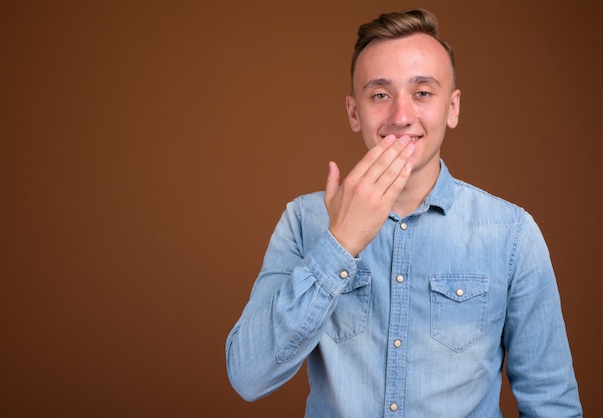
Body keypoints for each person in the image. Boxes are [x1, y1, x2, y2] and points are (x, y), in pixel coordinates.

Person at [225, 8, 582, 417]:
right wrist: (339, 245)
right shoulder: (304, 222)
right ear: (354, 112)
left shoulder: (512, 233)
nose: (400, 116)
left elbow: (551, 402)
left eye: (423, 93)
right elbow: (248, 377)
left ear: (453, 107)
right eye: (380, 94)